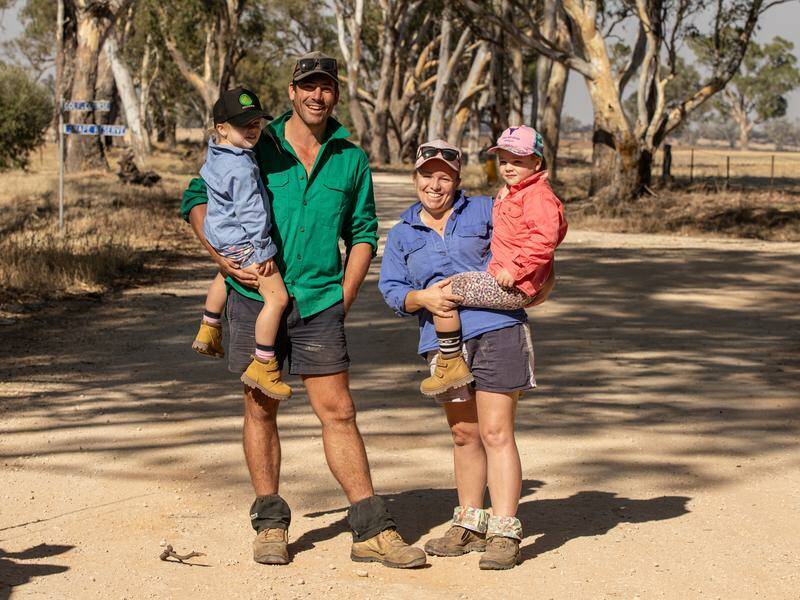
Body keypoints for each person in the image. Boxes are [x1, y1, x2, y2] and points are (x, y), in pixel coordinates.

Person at [180, 52, 426, 569]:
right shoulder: (253, 143)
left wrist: (347, 293)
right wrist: (220, 257)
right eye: (307, 86)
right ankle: (270, 523)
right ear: (292, 93)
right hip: (254, 295)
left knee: (338, 411)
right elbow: (198, 196)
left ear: (336, 94)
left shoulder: (350, 158)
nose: (317, 95)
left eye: (327, 87)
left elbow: (361, 234)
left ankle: (371, 529)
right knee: (259, 407)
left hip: (318, 300)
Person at [378, 140, 555, 570]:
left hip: (497, 332)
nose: (434, 185)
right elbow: (391, 289)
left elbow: (527, 242)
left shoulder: (484, 210)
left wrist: (538, 282)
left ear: (457, 180)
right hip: (442, 346)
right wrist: (420, 297)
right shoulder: (402, 232)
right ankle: (469, 523)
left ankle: (505, 529)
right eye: (427, 175)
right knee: (464, 435)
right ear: (415, 178)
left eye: (444, 176)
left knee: (496, 433)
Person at [418, 128, 567, 397]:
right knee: (446, 290)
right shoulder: (511, 192)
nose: (508, 167)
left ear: (537, 162)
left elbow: (547, 236)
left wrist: (518, 267)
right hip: (506, 277)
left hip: (515, 282)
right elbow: (558, 227)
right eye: (504, 161)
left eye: (518, 161)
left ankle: (450, 363)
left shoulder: (537, 196)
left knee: (444, 292)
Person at [191, 87, 291, 401]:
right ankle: (263, 364)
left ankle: (209, 327)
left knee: (226, 273)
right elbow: (252, 210)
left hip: (222, 237)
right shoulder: (242, 167)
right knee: (277, 299)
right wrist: (264, 249)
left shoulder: (216, 154)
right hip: (245, 241)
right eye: (243, 124)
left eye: (256, 123)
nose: (252, 129)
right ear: (222, 128)